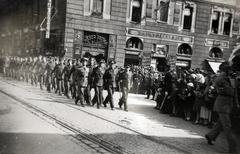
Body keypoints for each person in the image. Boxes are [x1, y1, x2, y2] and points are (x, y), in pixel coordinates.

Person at [205, 61, 239, 153]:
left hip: (230, 104)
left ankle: (210, 135)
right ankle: (233, 149)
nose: (230, 70)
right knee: (228, 126)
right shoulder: (220, 78)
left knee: (221, 123)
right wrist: (223, 73)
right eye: (228, 68)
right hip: (222, 104)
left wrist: (236, 104)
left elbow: (234, 93)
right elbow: (215, 82)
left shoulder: (232, 79)